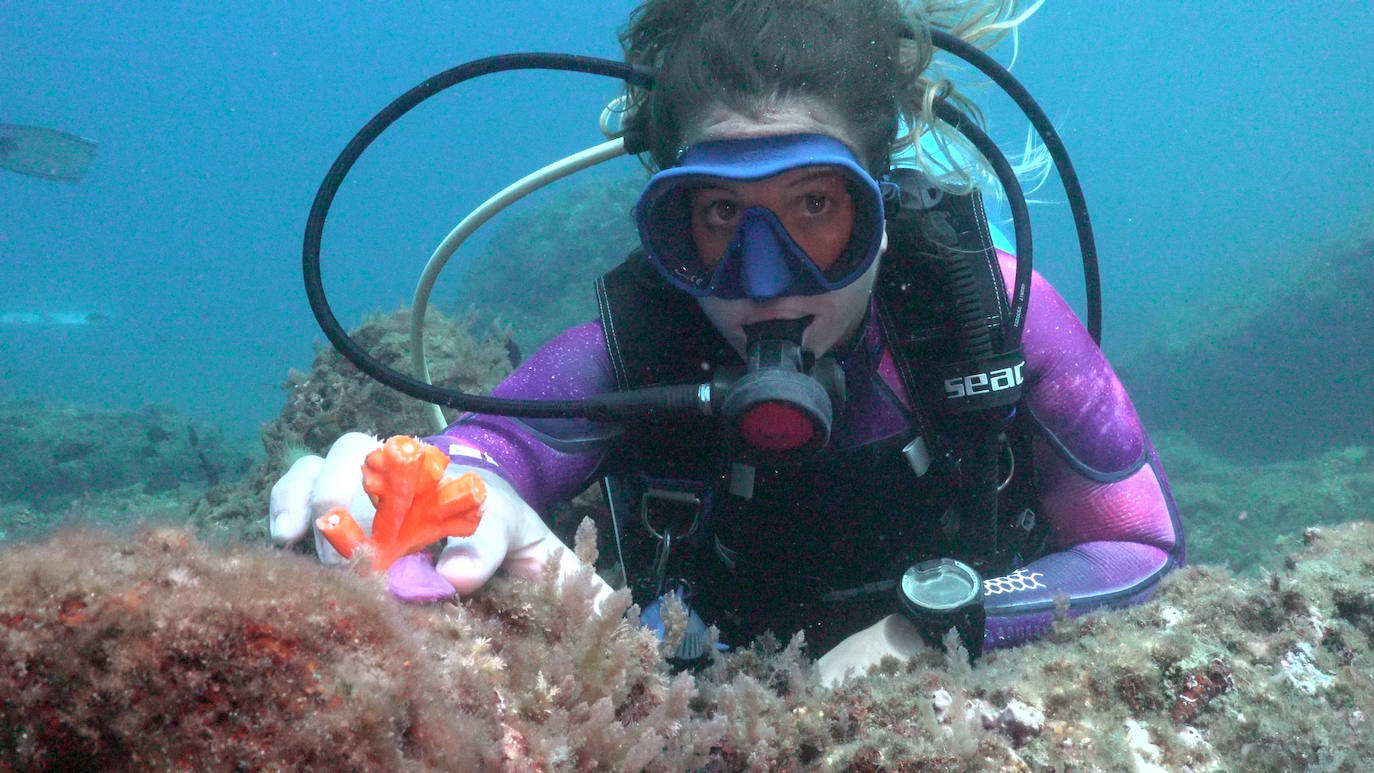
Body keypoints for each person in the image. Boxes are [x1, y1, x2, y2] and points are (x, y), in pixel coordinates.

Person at [272, 0, 1183, 683]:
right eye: (717, 215)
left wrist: (943, 623)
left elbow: (1141, 543)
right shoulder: (640, 347)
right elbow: (484, 455)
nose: (765, 279)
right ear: (674, 227)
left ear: (880, 203)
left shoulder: (986, 314)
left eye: (814, 205)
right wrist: (420, 495)